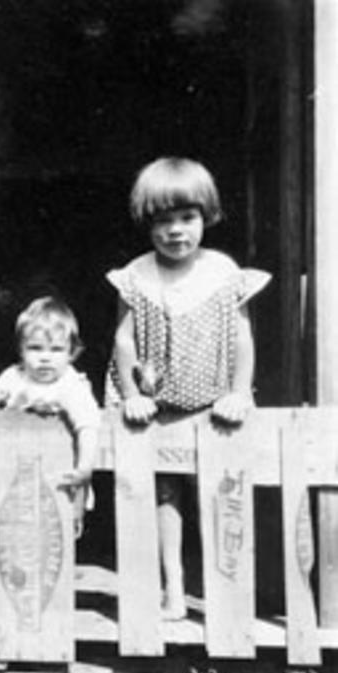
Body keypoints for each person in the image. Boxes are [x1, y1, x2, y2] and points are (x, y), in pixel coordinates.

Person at [105, 156, 271, 619]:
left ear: (206, 217)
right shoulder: (137, 275)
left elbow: (242, 337)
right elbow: (123, 338)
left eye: (187, 218)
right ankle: (173, 590)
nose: (175, 231)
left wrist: (239, 392)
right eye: (163, 221)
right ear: (147, 224)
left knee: (219, 491)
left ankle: (222, 595)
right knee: (163, 494)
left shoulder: (221, 271)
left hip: (212, 405)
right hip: (156, 406)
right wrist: (133, 395)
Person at [0, 296, 100, 533]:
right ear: (21, 351)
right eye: (35, 348)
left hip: (58, 469)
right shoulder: (15, 379)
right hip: (15, 467)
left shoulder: (71, 385)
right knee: (13, 529)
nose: (45, 357)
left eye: (56, 349)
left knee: (56, 528)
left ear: (71, 353)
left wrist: (84, 468)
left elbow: (87, 425)